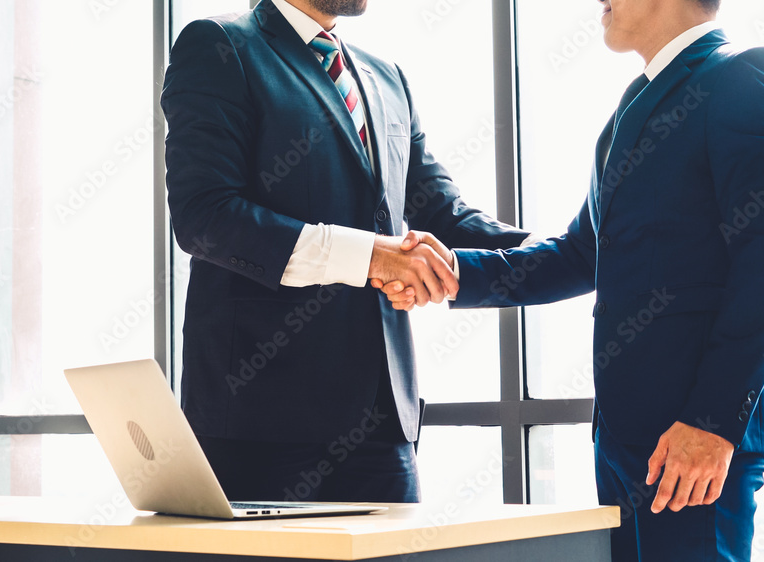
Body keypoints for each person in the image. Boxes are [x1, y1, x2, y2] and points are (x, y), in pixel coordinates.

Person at [378, 0, 764, 558]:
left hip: (693, 441)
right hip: (628, 440)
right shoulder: (628, 111)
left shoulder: (748, 74)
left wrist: (713, 423)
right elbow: (582, 254)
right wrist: (455, 273)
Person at [160, 0, 529, 504]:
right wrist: (372, 256)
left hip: (383, 424)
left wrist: (573, 249)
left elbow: (442, 213)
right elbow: (205, 216)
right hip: (261, 423)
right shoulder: (220, 45)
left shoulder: (386, 77)